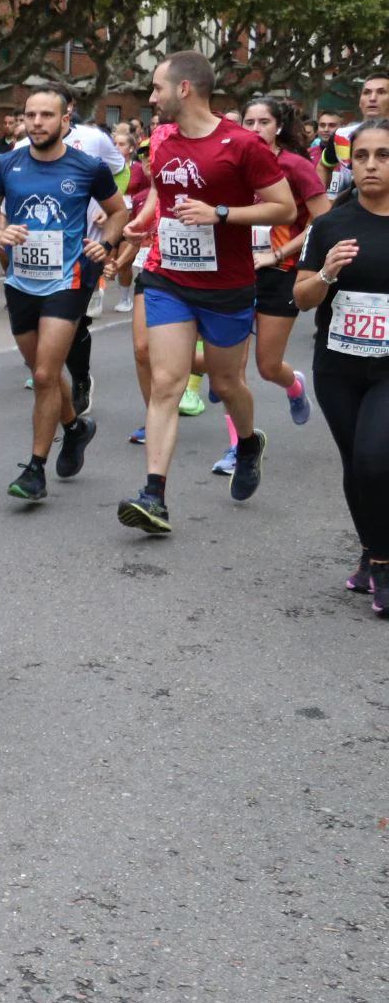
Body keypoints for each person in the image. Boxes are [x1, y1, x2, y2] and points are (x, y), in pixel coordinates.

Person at [117, 52, 295, 534]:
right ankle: (154, 495)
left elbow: (284, 208)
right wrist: (145, 219)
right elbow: (161, 192)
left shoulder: (243, 146)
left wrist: (221, 214)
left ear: (185, 90)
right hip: (168, 278)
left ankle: (249, 443)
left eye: (157, 88)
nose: (151, 98)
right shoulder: (160, 139)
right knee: (167, 383)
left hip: (227, 285)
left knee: (226, 383)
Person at [0, 81, 122, 501]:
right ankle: (75, 428)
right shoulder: (6, 164)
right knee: (45, 374)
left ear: (65, 119)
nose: (36, 123)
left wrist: (105, 242)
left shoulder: (87, 167)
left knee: (43, 375)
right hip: (21, 281)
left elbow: (118, 212)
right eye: (30, 115)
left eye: (46, 115)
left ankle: (35, 469)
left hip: (68, 279)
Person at [294, 119, 389, 610]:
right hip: (338, 366)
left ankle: (384, 561)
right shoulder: (331, 225)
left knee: (376, 457)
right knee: (357, 463)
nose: (370, 165)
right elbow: (302, 297)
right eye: (362, 156)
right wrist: (328, 271)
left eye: (383, 155)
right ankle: (372, 553)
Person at [222, 95, 327, 472]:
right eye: (247, 122)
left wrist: (279, 255)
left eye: (262, 122)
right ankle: (239, 448)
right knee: (232, 372)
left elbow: (322, 219)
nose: (253, 130)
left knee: (267, 366)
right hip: (235, 272)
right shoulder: (232, 164)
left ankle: (294, 385)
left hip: (280, 274)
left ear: (278, 126)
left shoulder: (295, 166)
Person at [109, 124, 151, 313]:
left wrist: (137, 204)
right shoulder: (107, 169)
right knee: (107, 260)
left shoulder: (140, 169)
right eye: (114, 144)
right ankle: (99, 295)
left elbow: (150, 191)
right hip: (110, 219)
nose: (117, 147)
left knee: (124, 261)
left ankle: (126, 298)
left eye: (121, 144)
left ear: (131, 148)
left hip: (133, 218)